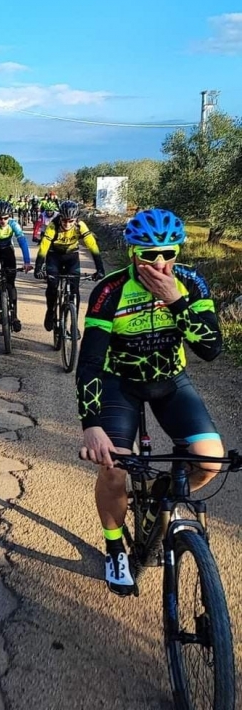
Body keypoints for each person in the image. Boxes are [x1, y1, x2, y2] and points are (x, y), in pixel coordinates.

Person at [77, 208, 224, 596]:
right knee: (113, 468)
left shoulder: (190, 281)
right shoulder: (109, 291)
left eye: (167, 253)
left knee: (210, 460)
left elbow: (210, 349)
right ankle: (114, 547)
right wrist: (91, 425)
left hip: (170, 382)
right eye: (148, 255)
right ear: (131, 253)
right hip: (119, 384)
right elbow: (90, 362)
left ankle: (161, 493)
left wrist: (175, 300)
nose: (159, 264)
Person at [35, 200, 104, 331]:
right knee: (52, 286)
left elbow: (92, 246)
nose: (67, 224)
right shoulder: (53, 225)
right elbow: (44, 247)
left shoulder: (80, 226)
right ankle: (50, 311)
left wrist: (100, 268)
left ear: (76, 219)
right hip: (54, 256)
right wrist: (38, 267)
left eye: (71, 221)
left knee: (74, 291)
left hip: (72, 257)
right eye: (64, 220)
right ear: (60, 217)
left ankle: (74, 325)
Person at [0, 201, 32, 332]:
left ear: (9, 216)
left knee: (11, 284)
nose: (3, 220)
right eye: (0, 218)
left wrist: (27, 261)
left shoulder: (13, 224)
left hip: (7, 252)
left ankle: (15, 316)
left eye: (6, 218)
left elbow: (22, 241)